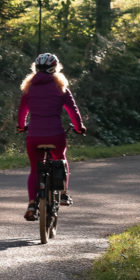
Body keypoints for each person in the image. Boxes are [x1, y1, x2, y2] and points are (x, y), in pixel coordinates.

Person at [17, 52, 86, 221]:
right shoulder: (61, 88)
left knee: (35, 169)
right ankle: (63, 194)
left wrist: (20, 126)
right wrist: (79, 128)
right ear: (55, 68)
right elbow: (73, 112)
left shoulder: (28, 88)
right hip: (55, 136)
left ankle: (33, 203)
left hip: (34, 137)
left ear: (36, 68)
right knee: (60, 159)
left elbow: (22, 112)